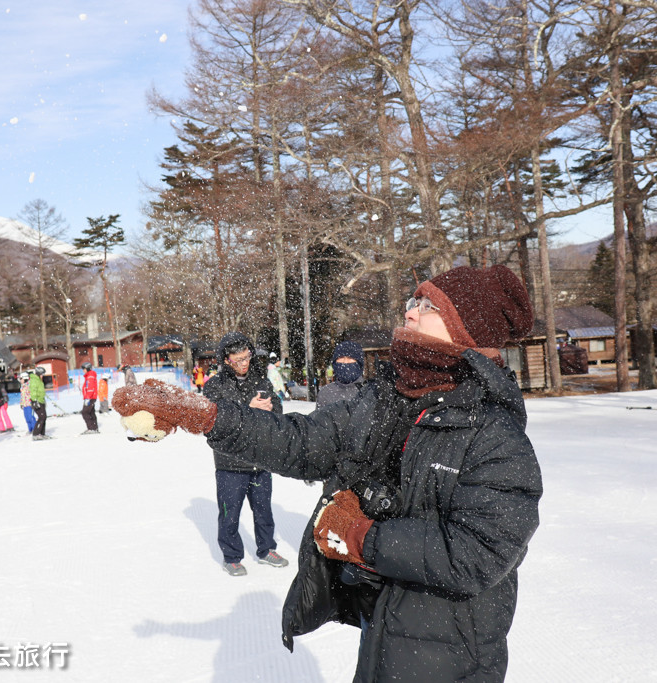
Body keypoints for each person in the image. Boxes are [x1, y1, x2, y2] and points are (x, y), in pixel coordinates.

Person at [113, 264, 542, 681]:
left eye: (427, 306)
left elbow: (477, 554)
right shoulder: (385, 399)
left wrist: (360, 537)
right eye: (414, 300)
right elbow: (301, 441)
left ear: (466, 330)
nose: (409, 311)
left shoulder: (496, 434)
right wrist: (208, 416)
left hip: (451, 655)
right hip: (383, 631)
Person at [201, 332, 289, 577]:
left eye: (247, 357)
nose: (244, 363)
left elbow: (279, 409)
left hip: (260, 460)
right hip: (229, 463)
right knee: (230, 514)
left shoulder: (261, 380)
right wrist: (246, 409)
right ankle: (231, 556)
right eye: (238, 359)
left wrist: (272, 408)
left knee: (264, 511)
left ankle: (266, 549)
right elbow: (213, 421)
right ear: (226, 360)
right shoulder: (214, 386)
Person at [316, 341, 366, 409]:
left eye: (350, 358)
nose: (345, 362)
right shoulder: (325, 393)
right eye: (341, 358)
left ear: (359, 364)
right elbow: (319, 418)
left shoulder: (369, 391)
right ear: (335, 363)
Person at [29, 367, 48, 440]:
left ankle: (42, 433)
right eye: (42, 374)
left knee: (44, 417)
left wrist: (43, 400)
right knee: (41, 417)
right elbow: (33, 391)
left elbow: (41, 391)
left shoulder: (39, 380)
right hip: (37, 401)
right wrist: (35, 401)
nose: (42, 375)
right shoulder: (34, 380)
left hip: (41, 401)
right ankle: (36, 434)